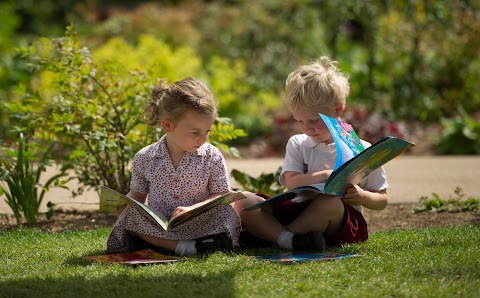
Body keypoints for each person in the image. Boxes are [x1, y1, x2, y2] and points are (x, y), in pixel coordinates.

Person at [234, 57, 389, 251]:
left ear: (338, 108)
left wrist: (363, 196)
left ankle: (274, 238)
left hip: (338, 220)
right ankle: (290, 239)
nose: (307, 128)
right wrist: (325, 176)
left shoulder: (360, 148)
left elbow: (382, 199)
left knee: (329, 203)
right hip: (297, 210)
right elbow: (292, 183)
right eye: (300, 121)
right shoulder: (298, 143)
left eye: (315, 120)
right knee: (244, 199)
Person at [106, 77, 242, 256]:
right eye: (195, 132)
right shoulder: (145, 157)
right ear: (168, 125)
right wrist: (121, 207)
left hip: (199, 223)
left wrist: (192, 209)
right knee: (130, 214)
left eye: (207, 131)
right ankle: (190, 247)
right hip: (160, 226)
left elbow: (222, 194)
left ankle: (168, 245)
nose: (203, 139)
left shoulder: (211, 156)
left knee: (226, 213)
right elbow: (137, 195)